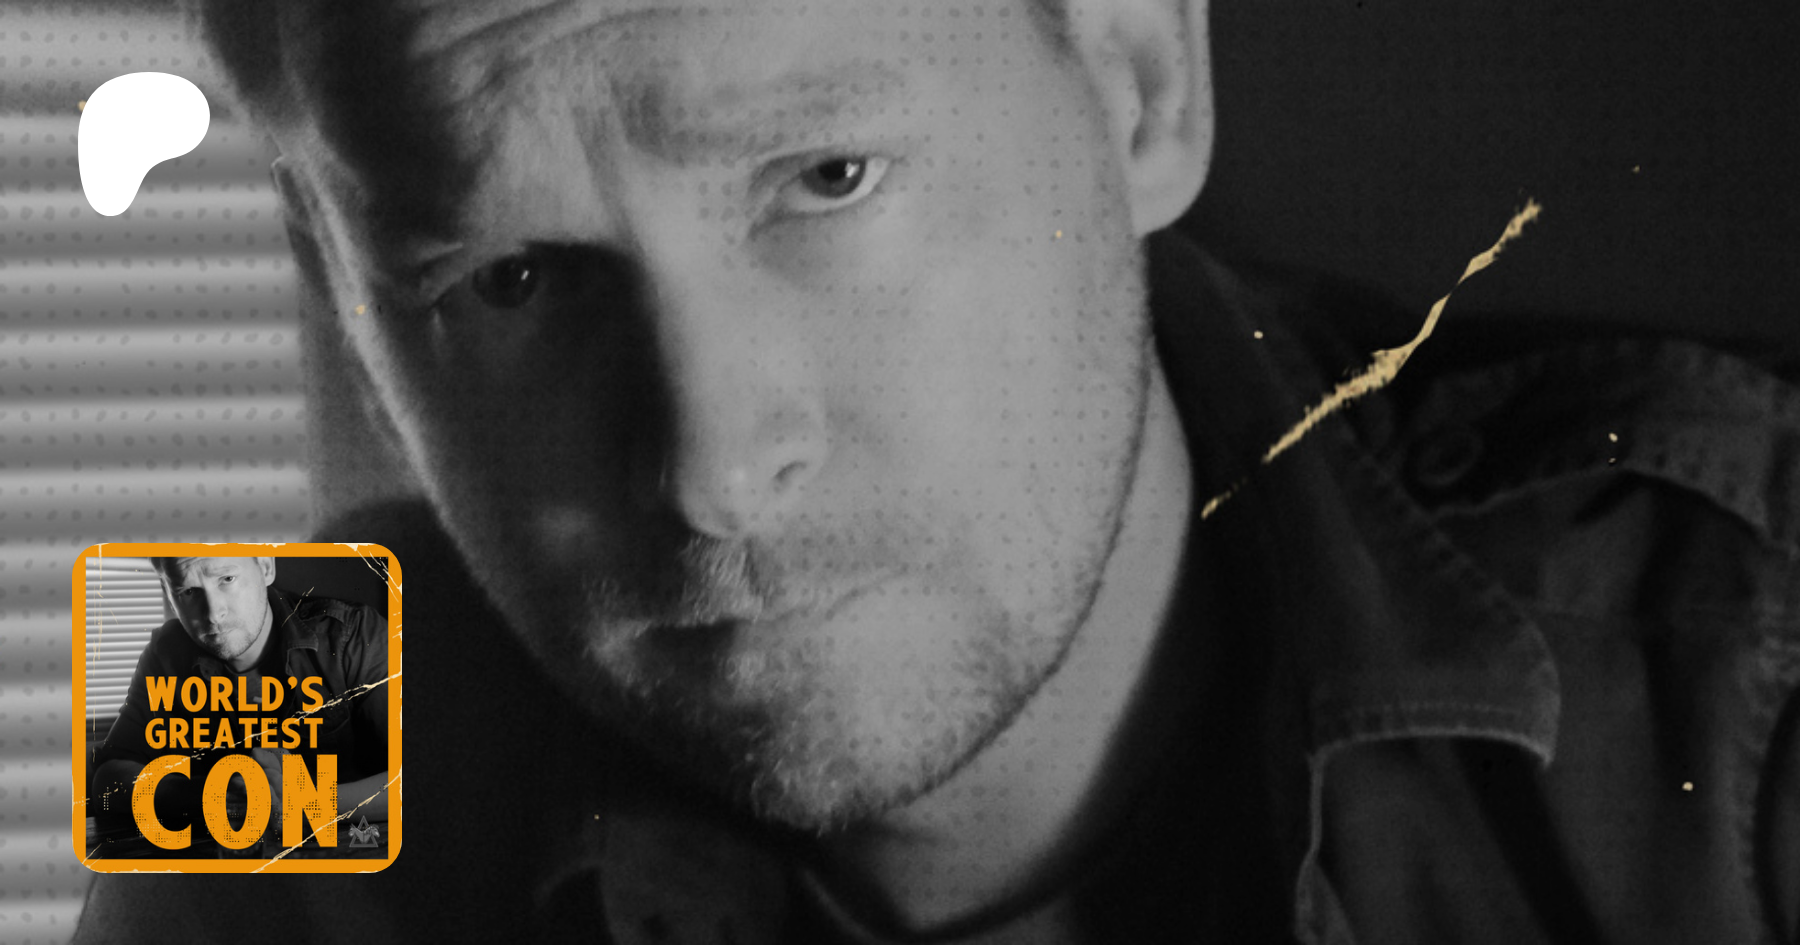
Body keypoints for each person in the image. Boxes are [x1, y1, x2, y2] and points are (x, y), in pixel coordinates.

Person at [76, 0, 1798, 942]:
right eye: (511, 279)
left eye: (823, 179)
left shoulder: (1750, 646)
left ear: (1135, 85)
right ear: (343, 296)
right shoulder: (256, 695)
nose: (717, 468)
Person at [88, 557, 391, 856]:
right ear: (168, 592)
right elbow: (107, 779)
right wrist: (208, 794)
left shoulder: (353, 634)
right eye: (188, 591)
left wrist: (309, 802)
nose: (213, 614)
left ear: (266, 567)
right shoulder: (165, 653)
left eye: (227, 579)